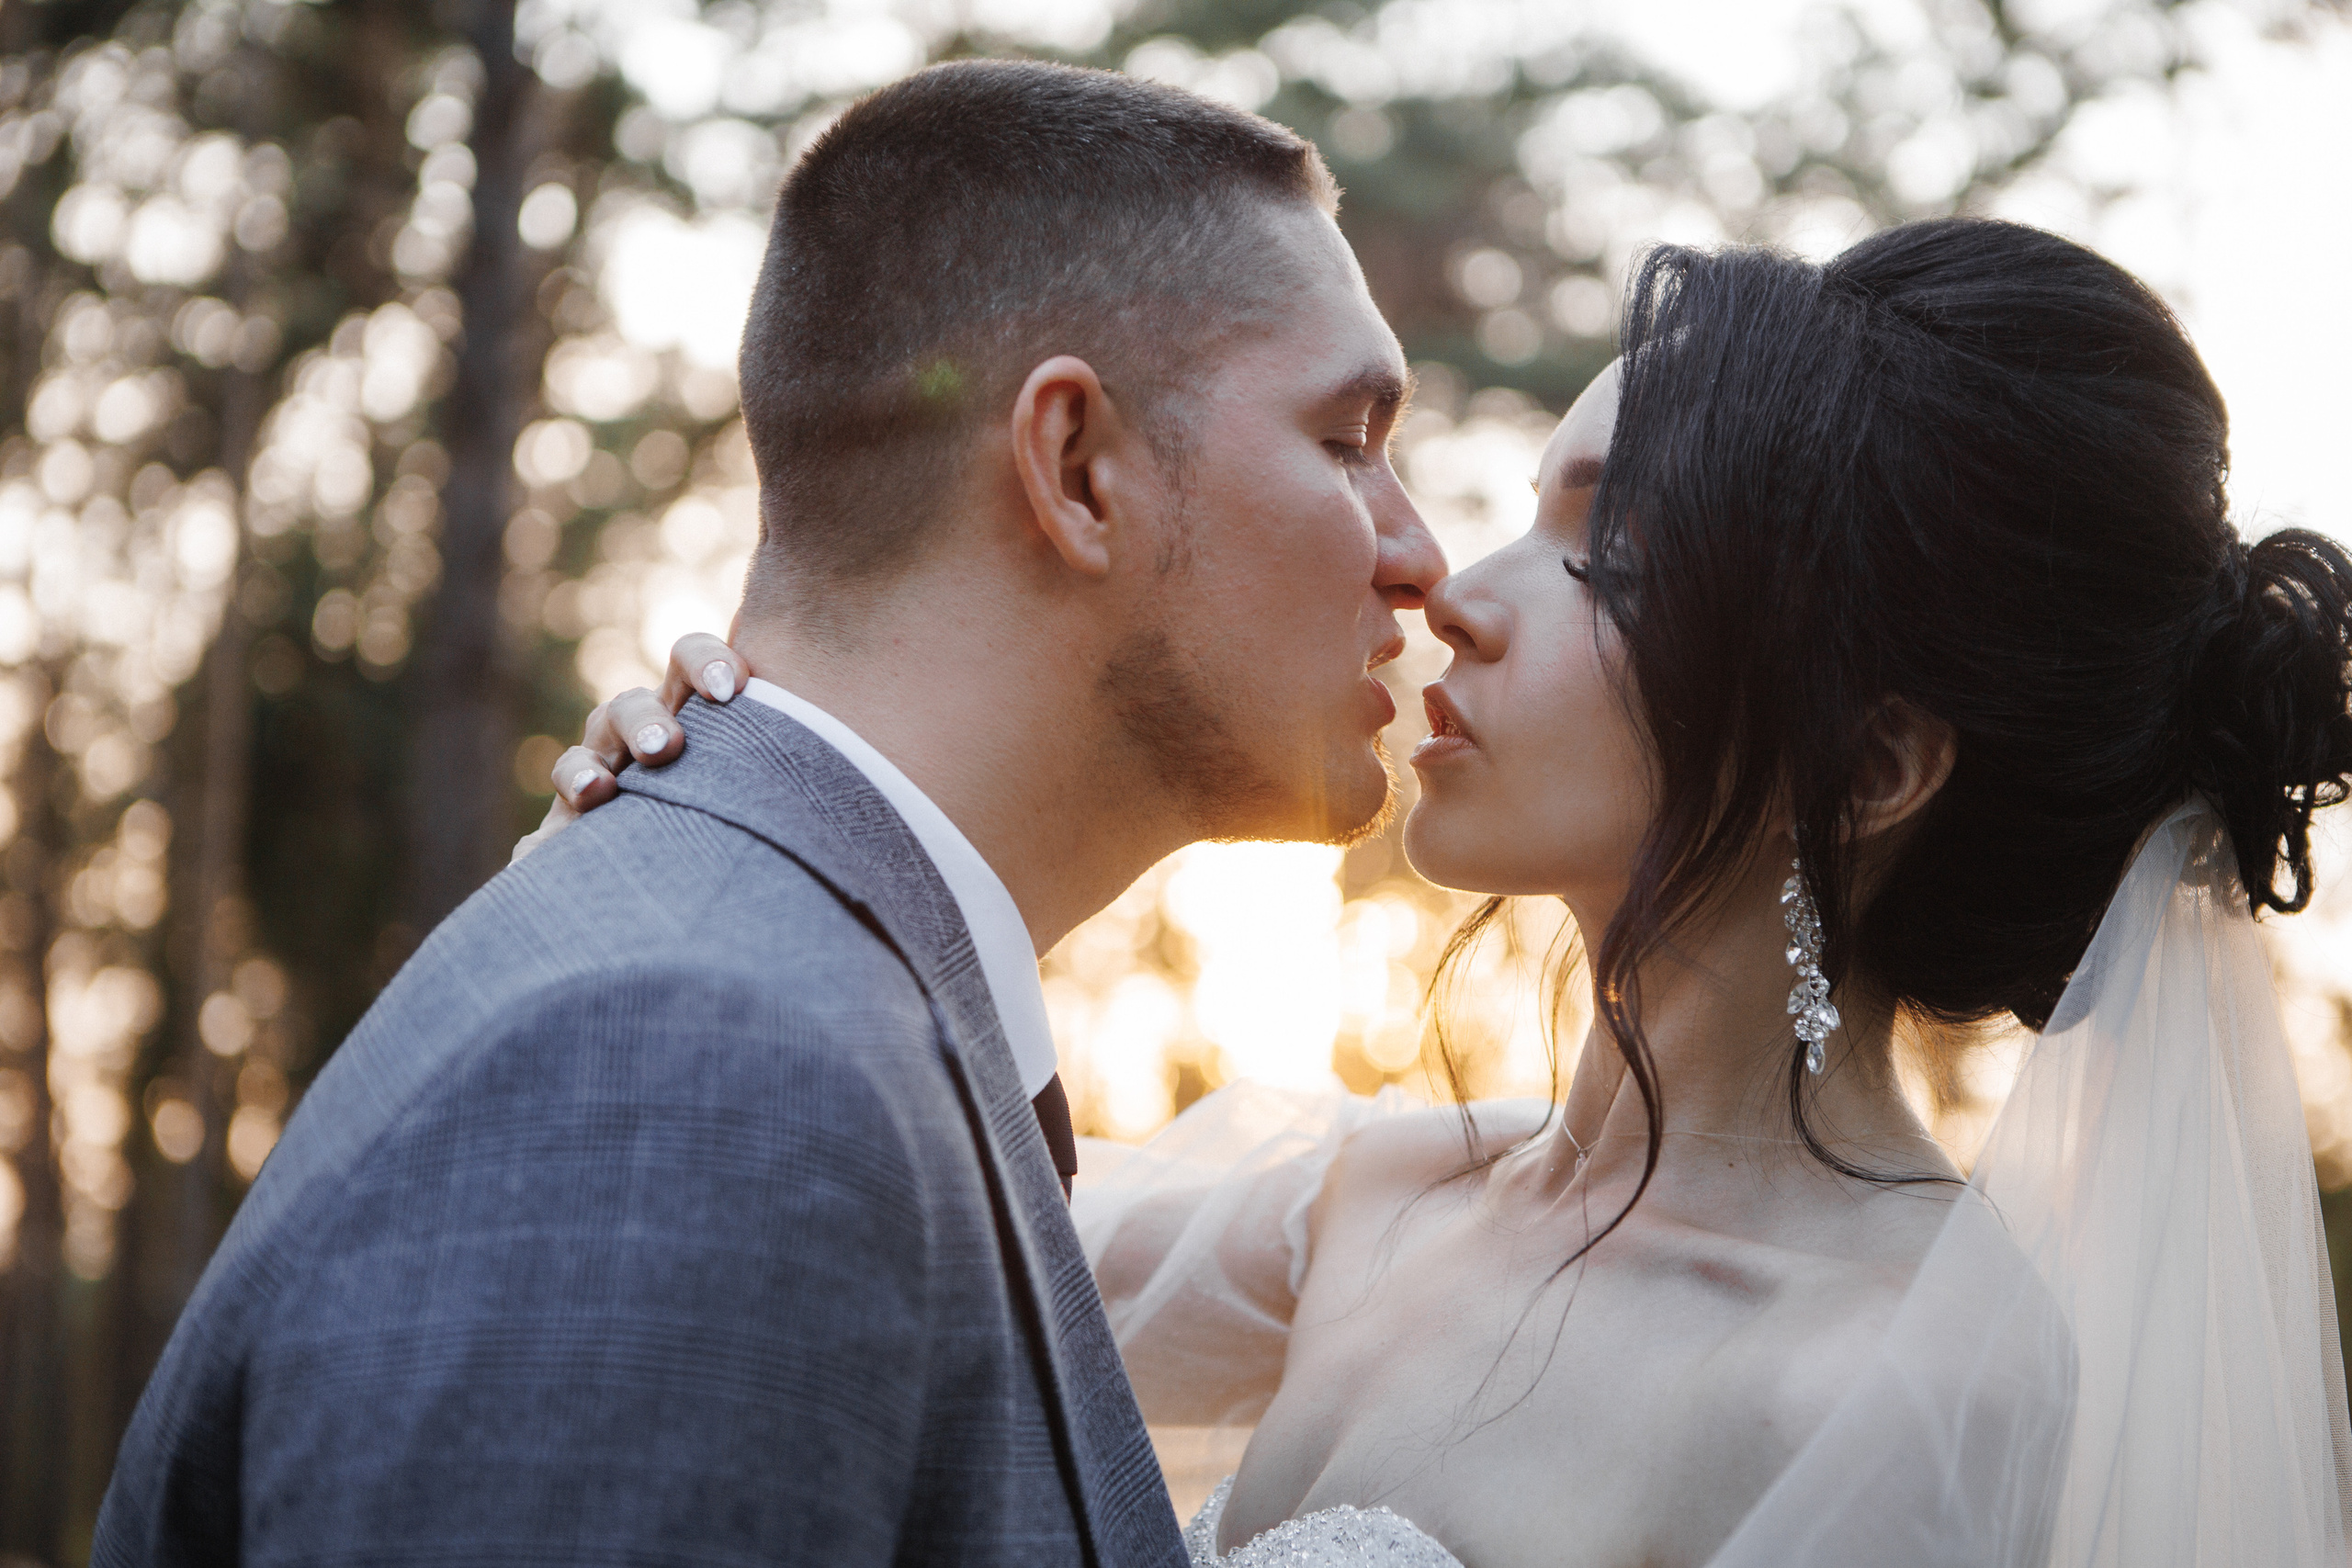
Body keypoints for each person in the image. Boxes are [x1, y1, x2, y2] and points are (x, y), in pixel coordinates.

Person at [582, 216, 2352, 1566]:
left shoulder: (1923, 1388)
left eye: (1614, 554)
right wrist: (736, 810)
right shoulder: (1376, 1193)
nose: (1457, 595)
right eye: (1525, 514)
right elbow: (805, 1247)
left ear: (1877, 766)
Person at [95, 61, 1444, 1568]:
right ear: (1076, 468)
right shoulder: (697, 1071)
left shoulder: (774, 991)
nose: (1421, 555)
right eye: (1348, 441)